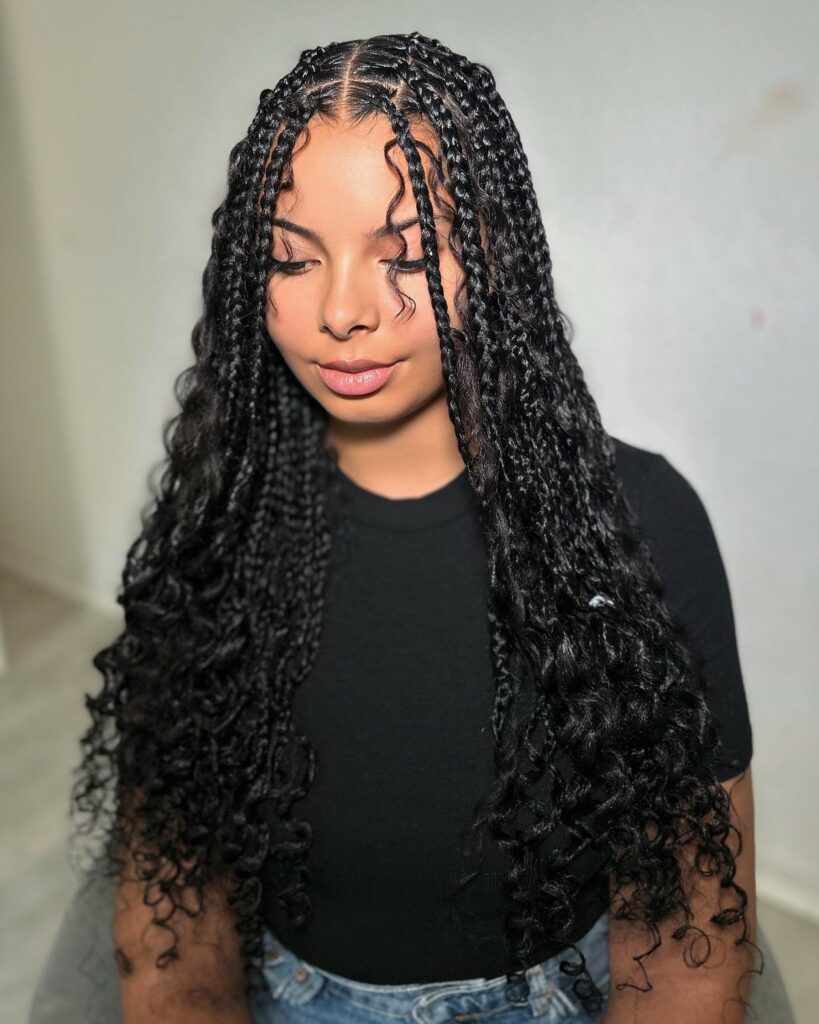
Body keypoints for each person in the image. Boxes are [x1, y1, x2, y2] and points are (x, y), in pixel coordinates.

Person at [66, 31, 760, 1024]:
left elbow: (690, 935)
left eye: (405, 255)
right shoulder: (216, 522)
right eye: (291, 259)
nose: (343, 310)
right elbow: (171, 907)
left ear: (491, 254)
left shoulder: (642, 528)